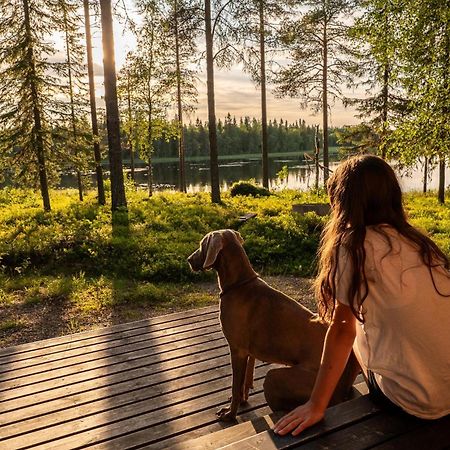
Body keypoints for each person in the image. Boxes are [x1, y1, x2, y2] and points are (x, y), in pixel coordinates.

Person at [273, 154, 450, 436]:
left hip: (416, 402)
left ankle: (335, 396)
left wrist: (316, 405)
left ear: (343, 202)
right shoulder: (419, 242)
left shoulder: (353, 245)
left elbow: (343, 330)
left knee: (350, 324)